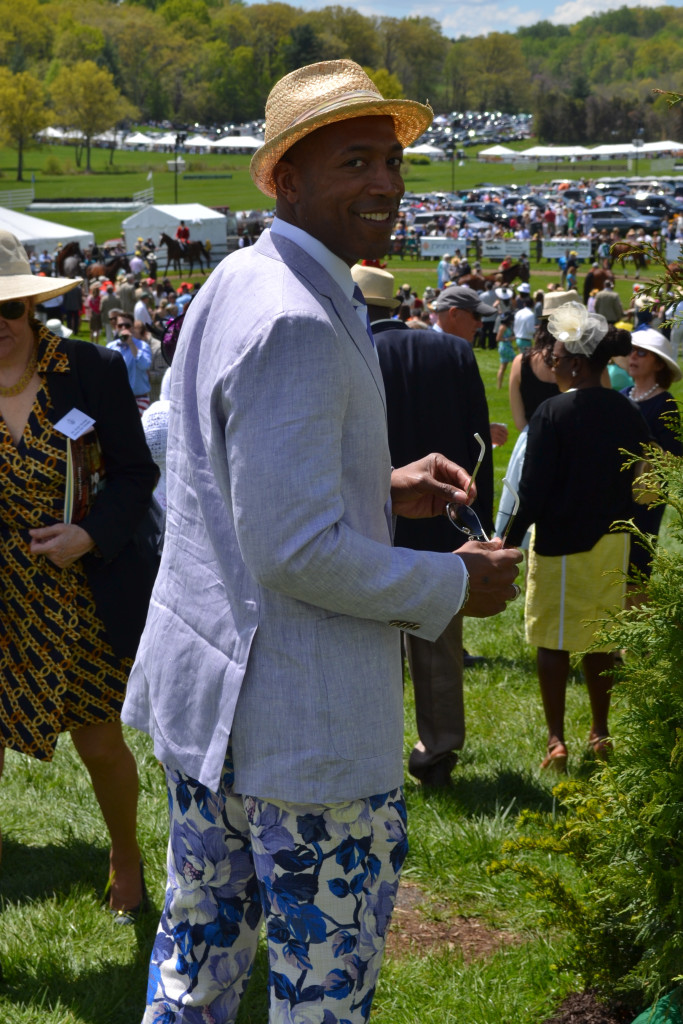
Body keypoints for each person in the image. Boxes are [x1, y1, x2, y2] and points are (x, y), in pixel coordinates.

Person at [122, 59, 521, 1023]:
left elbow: (220, 469)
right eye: (354, 160)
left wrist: (379, 487)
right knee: (321, 997)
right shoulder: (295, 315)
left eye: (391, 162)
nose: (384, 182)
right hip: (297, 739)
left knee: (196, 967)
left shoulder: (238, 277)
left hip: (211, 707)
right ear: (284, 178)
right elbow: (294, 552)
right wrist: (447, 583)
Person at [0, 230, 158, 923]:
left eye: (7, 310)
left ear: (31, 308)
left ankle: (125, 855)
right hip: (2, 598)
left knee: (99, 740)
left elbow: (134, 471)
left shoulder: (87, 368)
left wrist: (89, 534)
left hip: (79, 590)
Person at [356, 267, 497, 788]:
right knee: (437, 648)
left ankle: (373, 749)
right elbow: (478, 442)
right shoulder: (452, 352)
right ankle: (436, 752)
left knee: (370, 643)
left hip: (369, 522)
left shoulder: (346, 351)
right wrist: (475, 521)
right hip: (442, 517)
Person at [506, 302, 651, 772]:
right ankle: (600, 731)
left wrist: (506, 540)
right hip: (612, 542)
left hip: (559, 544)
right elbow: (642, 485)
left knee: (553, 641)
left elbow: (531, 492)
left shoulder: (552, 412)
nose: (551, 358)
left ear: (574, 362)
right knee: (603, 641)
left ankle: (556, 740)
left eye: (557, 352)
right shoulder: (629, 411)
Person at [621, 328, 682, 586]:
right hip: (614, 494)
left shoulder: (665, 404)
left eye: (642, 353)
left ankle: (636, 621)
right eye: (631, 351)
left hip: (644, 498)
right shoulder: (623, 395)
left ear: (658, 364)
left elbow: (673, 461)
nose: (633, 356)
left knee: (636, 570)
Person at [107, 312, 152, 413]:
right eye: (120, 325)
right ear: (116, 327)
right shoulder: (111, 347)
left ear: (132, 327)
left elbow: (144, 365)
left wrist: (131, 344)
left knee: (139, 428)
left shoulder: (142, 346)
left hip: (139, 398)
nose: (123, 328)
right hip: (117, 398)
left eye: (127, 325)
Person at [496, 310, 515, 389]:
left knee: (503, 367)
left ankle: (499, 386)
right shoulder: (503, 327)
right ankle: (514, 384)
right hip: (505, 347)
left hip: (503, 347)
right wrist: (509, 339)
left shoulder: (505, 326)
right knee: (516, 363)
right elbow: (498, 338)